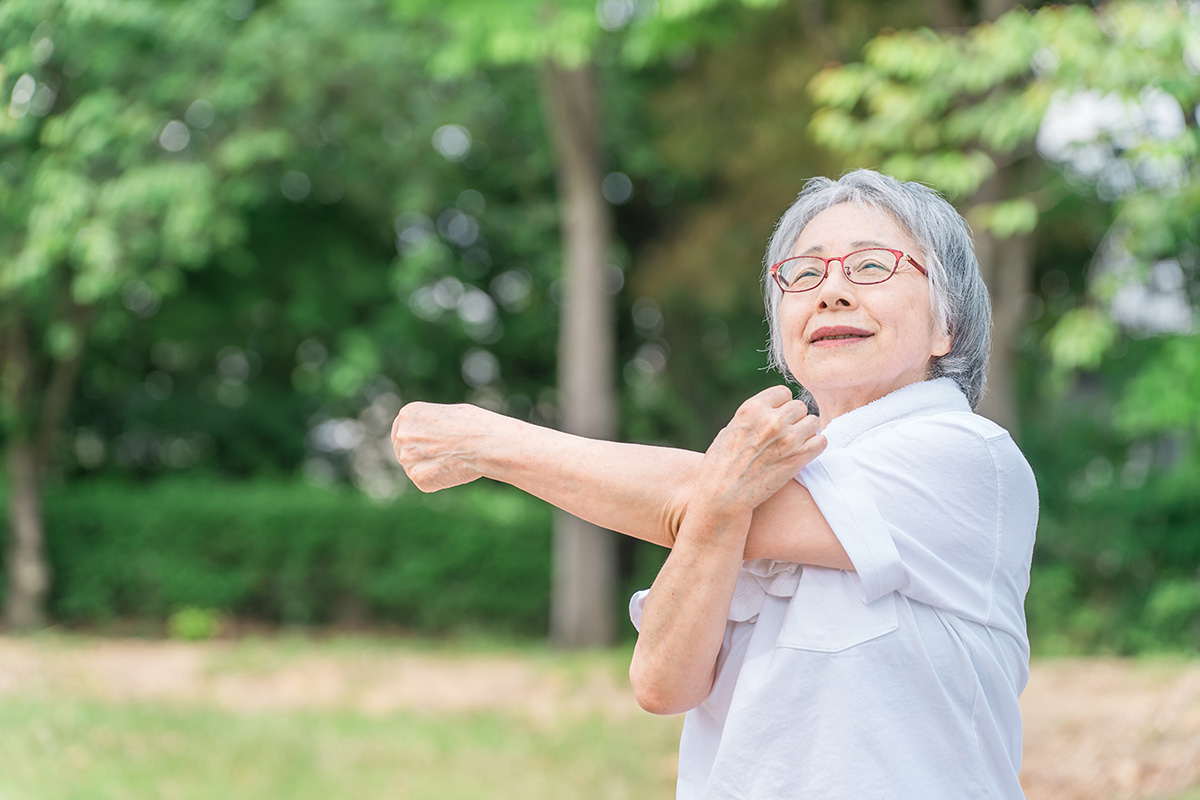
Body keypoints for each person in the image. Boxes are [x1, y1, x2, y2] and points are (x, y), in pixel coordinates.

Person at [391, 168, 1038, 799]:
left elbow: (682, 494)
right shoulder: (747, 478)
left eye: (871, 266)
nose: (831, 291)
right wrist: (717, 508)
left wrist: (485, 441)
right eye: (804, 273)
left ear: (945, 324)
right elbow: (662, 684)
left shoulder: (965, 455)